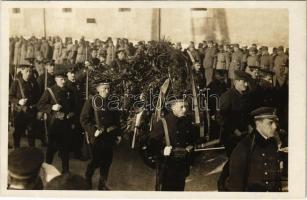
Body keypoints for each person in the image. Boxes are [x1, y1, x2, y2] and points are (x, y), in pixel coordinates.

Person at [225, 107, 283, 191]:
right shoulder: (244, 146)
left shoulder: (272, 143)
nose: (274, 126)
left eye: (275, 122)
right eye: (270, 123)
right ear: (258, 124)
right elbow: (235, 184)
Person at [148, 93, 196, 191]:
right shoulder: (163, 123)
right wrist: (162, 150)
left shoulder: (187, 122)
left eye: (186, 106)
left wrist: (191, 147)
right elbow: (150, 145)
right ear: (172, 107)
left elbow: (193, 140)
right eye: (181, 107)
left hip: (182, 165)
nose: (185, 109)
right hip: (167, 166)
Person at [80, 79, 122, 190]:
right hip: (97, 137)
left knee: (107, 161)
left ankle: (102, 184)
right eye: (104, 88)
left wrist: (118, 134)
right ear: (98, 89)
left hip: (109, 136)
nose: (107, 91)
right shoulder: (91, 101)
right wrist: (93, 130)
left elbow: (117, 120)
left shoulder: (112, 102)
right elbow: (83, 119)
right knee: (96, 160)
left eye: (108, 88)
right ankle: (88, 177)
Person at [217, 70, 254, 190]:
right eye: (244, 82)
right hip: (231, 136)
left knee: (241, 160)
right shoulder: (227, 96)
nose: (246, 85)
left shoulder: (245, 96)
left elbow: (246, 114)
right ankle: (222, 183)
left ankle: (237, 184)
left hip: (243, 134)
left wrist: (249, 125)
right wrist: (234, 130)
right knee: (234, 160)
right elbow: (221, 117)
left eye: (247, 82)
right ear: (236, 82)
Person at [37, 64, 77, 173]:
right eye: (60, 79)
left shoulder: (69, 91)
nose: (63, 81)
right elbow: (40, 105)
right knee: (51, 149)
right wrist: (52, 107)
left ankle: (65, 172)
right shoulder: (49, 91)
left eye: (64, 79)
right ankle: (47, 169)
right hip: (54, 125)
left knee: (65, 150)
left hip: (66, 124)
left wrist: (71, 116)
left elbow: (74, 106)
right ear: (55, 79)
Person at [9, 64, 40, 148]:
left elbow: (38, 98)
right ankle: (17, 150)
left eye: (30, 71)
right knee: (18, 132)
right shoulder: (16, 82)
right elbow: (10, 96)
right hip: (20, 112)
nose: (29, 73)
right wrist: (19, 101)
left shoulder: (34, 83)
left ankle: (32, 151)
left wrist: (38, 110)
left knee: (31, 132)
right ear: (22, 71)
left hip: (31, 112)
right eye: (26, 71)